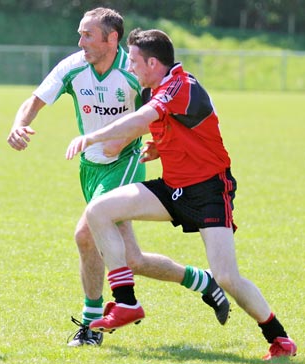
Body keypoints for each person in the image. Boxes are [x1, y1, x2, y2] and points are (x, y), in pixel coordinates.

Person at [65, 28, 297, 360]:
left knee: (227, 277)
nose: (129, 68)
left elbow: (142, 119)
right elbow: (176, 126)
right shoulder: (153, 89)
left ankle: (279, 338)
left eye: (132, 61)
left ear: (153, 62)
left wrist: (90, 138)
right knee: (99, 211)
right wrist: (159, 147)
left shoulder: (180, 86)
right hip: (173, 188)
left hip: (209, 192)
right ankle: (126, 301)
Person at [8, 9, 230, 348]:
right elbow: (34, 101)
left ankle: (91, 324)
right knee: (131, 260)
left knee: (85, 234)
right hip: (89, 167)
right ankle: (203, 281)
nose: (80, 42)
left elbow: (151, 116)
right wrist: (19, 124)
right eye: (80, 34)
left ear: (112, 39)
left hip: (124, 164)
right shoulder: (73, 67)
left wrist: (126, 142)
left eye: (88, 35)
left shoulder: (133, 72)